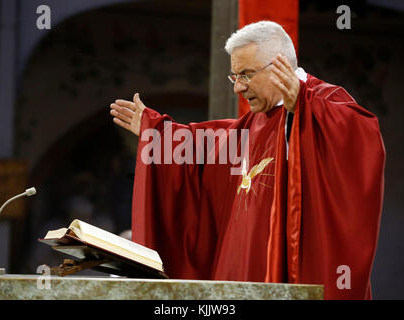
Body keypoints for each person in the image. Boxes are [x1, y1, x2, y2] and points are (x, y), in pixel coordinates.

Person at [109, 21, 385, 300]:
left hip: (295, 279)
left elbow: (361, 141)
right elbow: (210, 146)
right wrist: (157, 133)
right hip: (239, 278)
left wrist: (303, 104)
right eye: (234, 77)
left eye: (246, 75)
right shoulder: (253, 123)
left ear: (280, 67)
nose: (237, 88)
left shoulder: (325, 104)